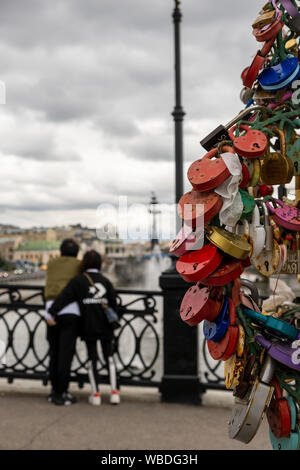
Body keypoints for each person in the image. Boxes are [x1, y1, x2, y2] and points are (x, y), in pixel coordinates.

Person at [48, 249, 120, 406]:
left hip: (89, 325)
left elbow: (64, 297)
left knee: (92, 358)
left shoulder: (78, 280)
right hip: (106, 326)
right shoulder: (105, 280)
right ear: (100, 264)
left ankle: (96, 394)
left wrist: (51, 313)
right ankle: (115, 392)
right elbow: (114, 303)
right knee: (109, 357)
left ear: (84, 263)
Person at [44, 238, 81, 406]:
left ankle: (53, 391)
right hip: (70, 311)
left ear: (60, 252)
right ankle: (62, 392)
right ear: (76, 253)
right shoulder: (79, 265)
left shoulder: (51, 263)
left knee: (54, 352)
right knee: (66, 354)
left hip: (50, 311)